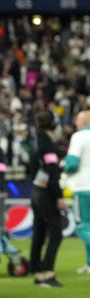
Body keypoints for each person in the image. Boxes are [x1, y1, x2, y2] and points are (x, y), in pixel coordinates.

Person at [28, 111, 65, 287]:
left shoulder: (36, 142)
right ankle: (48, 273)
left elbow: (32, 169)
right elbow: (51, 171)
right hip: (46, 193)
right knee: (56, 233)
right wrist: (59, 196)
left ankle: (37, 273)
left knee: (39, 233)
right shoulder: (48, 145)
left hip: (35, 191)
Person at [65, 110, 90, 274]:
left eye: (78, 120)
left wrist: (64, 167)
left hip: (83, 188)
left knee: (83, 227)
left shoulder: (78, 137)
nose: (75, 122)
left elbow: (72, 163)